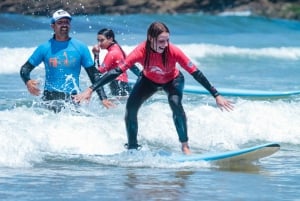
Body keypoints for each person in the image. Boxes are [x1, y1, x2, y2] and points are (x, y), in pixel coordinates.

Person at [74, 21, 234, 154]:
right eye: (161, 41)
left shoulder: (174, 51)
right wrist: (90, 89)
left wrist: (216, 95)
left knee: (175, 103)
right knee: (130, 108)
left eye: (167, 40)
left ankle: (185, 146)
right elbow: (117, 71)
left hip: (173, 81)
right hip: (148, 81)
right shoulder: (141, 51)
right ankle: (132, 147)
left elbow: (196, 73)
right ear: (151, 38)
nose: (165, 45)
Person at [20, 9, 113, 113]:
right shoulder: (44, 48)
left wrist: (103, 98)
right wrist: (27, 81)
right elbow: (25, 69)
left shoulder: (80, 47)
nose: (64, 25)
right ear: (53, 26)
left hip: (72, 99)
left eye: (67, 22)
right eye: (60, 22)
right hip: (49, 99)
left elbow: (93, 74)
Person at [92, 28, 140, 97]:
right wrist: (142, 77)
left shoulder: (112, 53)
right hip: (124, 84)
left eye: (102, 40)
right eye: (98, 41)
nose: (99, 44)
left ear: (110, 39)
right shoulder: (119, 49)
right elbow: (131, 66)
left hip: (116, 84)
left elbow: (97, 73)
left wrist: (96, 55)